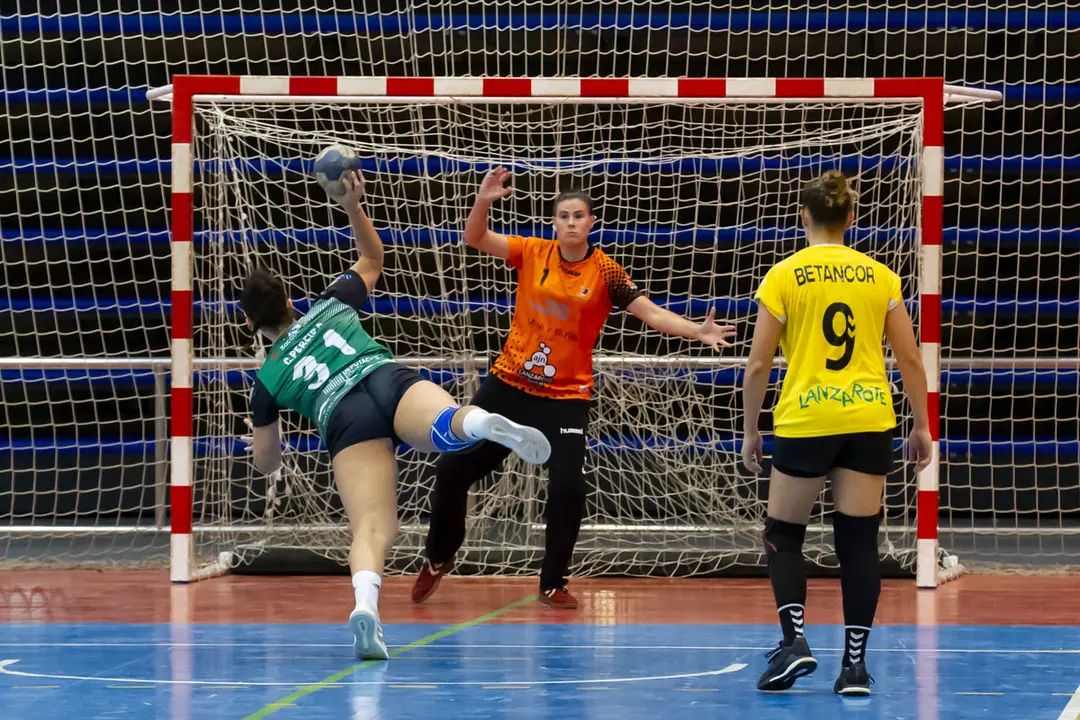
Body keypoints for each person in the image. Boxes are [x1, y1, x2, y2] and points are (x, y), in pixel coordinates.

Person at [241, 171, 551, 660]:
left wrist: (257, 443)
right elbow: (373, 258)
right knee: (447, 427)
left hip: (343, 416)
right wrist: (350, 205)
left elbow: (267, 462)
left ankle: (366, 608)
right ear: (287, 300)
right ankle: (481, 422)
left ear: (250, 322)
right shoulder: (330, 303)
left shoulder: (267, 380)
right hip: (384, 376)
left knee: (372, 528)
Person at [412, 167, 738, 609]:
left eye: (578, 215)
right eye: (562, 215)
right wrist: (484, 200)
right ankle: (438, 557)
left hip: (565, 398)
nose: (570, 222)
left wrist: (696, 331)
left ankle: (552, 582)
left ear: (591, 223)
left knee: (567, 488)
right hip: (508, 385)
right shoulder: (531, 252)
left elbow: (652, 314)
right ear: (553, 222)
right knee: (453, 469)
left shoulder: (606, 271)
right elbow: (476, 238)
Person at [740, 170, 933, 695]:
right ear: (851, 218)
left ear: (803, 217)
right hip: (869, 418)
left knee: (784, 534)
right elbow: (910, 357)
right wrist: (921, 423)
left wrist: (751, 429)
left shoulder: (783, 275)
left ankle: (796, 642)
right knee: (858, 542)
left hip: (806, 418)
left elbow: (758, 365)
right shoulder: (880, 276)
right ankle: (855, 669)